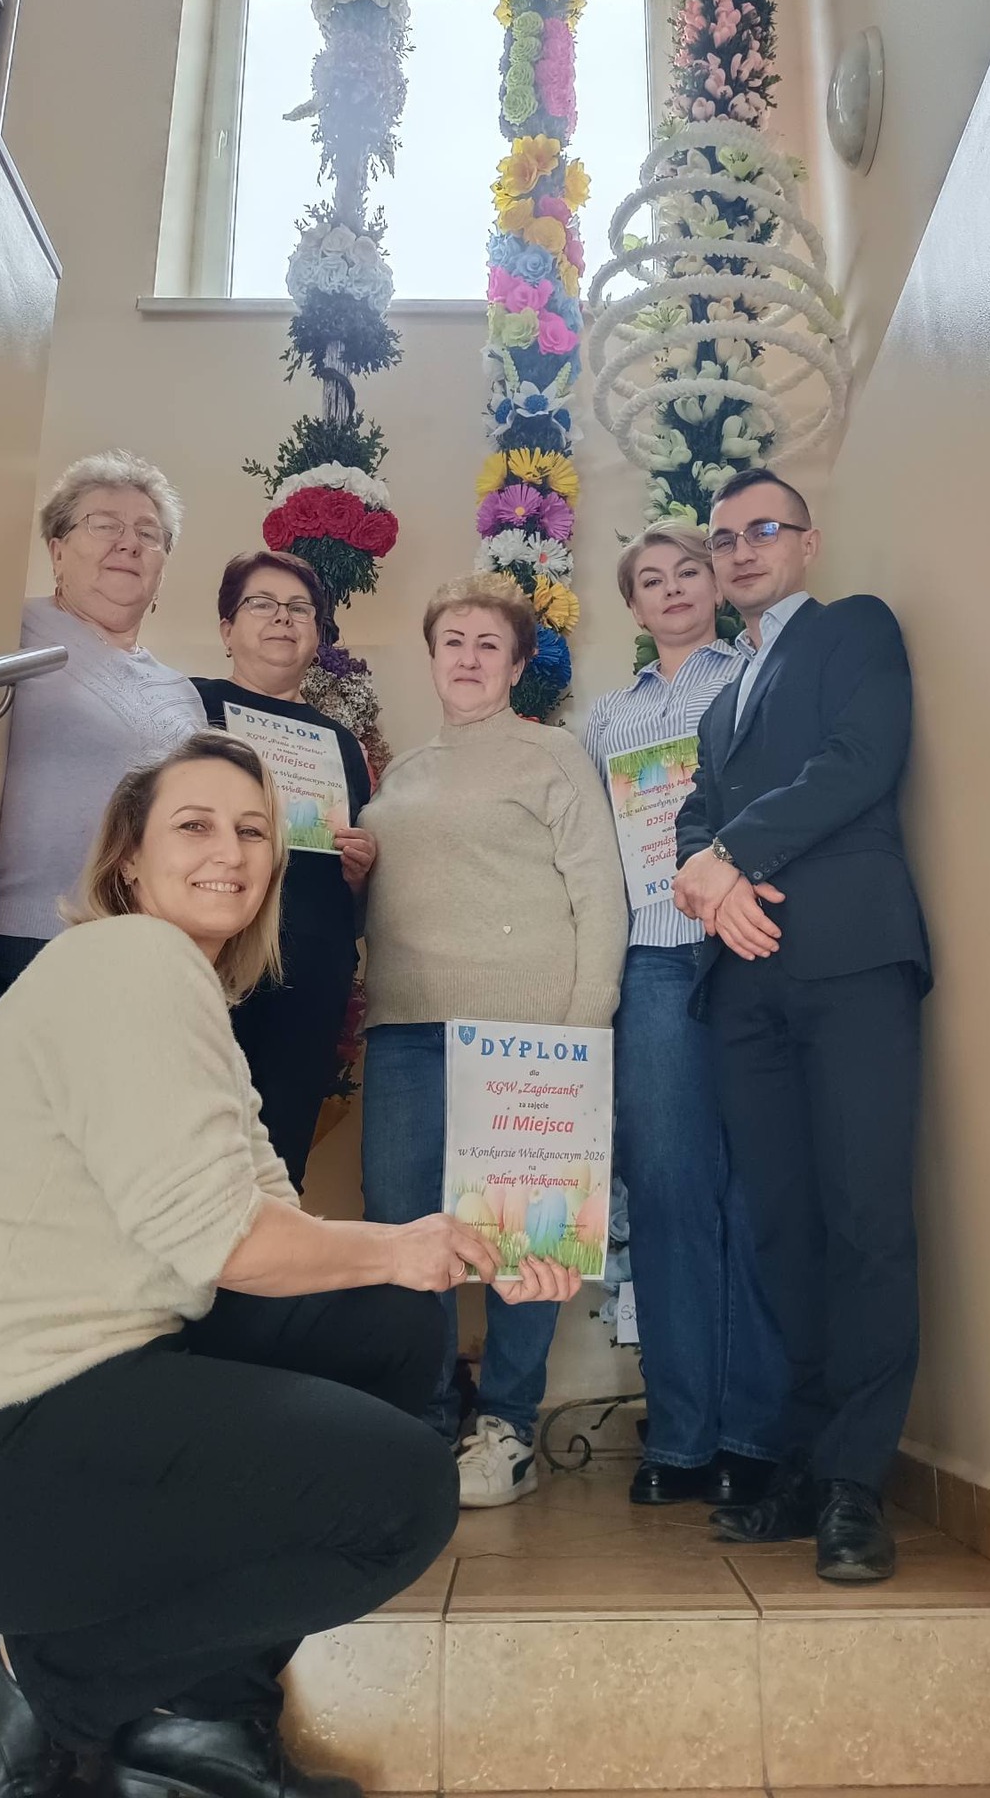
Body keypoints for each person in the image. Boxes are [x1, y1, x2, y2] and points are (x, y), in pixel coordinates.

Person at [0, 731, 580, 1798]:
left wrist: (476, 1248)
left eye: (253, 831)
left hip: (38, 1423)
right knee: (401, 1497)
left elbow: (272, 1226)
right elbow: (225, 1243)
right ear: (128, 859)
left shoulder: (181, 996)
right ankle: (33, 1681)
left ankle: (200, 1730)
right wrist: (406, 1245)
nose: (230, 851)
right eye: (194, 825)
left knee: (385, 1319)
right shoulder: (126, 962)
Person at [673, 467, 930, 1582]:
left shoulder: (855, 630)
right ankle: (810, 1457)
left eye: (762, 529)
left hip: (851, 962)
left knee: (865, 1216)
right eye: (724, 536)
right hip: (745, 990)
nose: (740, 549)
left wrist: (731, 856)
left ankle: (855, 1486)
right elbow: (694, 819)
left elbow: (859, 761)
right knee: (781, 1227)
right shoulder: (719, 703)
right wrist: (711, 875)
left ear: (807, 543)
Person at [358, 574, 628, 1509]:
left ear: (516, 667)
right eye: (453, 642)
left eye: (489, 645)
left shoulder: (553, 754)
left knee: (526, 1237)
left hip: (530, 1033)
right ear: (432, 657)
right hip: (405, 1028)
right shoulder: (401, 774)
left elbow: (600, 893)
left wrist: (586, 1024)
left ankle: (507, 1425)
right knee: (405, 1230)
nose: (469, 658)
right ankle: (428, 1422)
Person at [583, 524, 786, 1509]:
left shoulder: (756, 677)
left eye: (687, 573)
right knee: (667, 1192)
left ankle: (754, 1435)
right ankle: (681, 1437)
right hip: (653, 961)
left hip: (749, 947)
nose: (671, 590)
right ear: (633, 606)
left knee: (754, 1193)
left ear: (714, 584)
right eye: (651, 580)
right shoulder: (605, 719)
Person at [0, 450, 205, 1014]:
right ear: (57, 550)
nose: (128, 544)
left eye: (148, 534)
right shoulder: (5, 630)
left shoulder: (181, 692)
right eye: (105, 525)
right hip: (19, 942)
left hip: (144, 952)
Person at [193, 549, 376, 1186]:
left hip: (308, 974)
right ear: (227, 628)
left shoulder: (341, 744)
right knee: (191, 1153)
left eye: (300, 609)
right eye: (262, 604)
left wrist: (360, 872)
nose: (283, 618)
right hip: (209, 964)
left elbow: (354, 895)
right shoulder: (190, 709)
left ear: (317, 636)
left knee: (277, 1163)